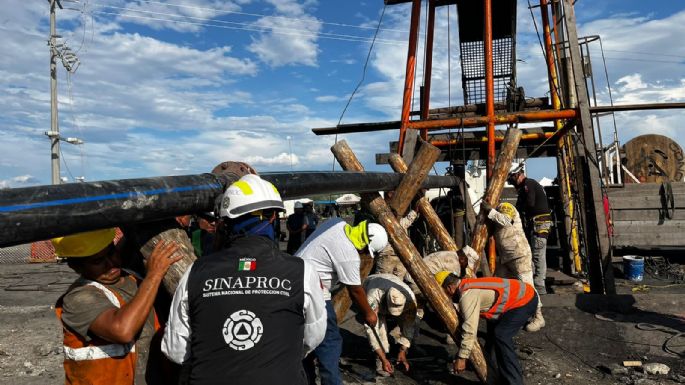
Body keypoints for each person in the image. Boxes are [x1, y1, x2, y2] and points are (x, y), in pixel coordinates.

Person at [161, 174, 327, 385]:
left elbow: (175, 350)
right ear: (273, 218)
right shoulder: (301, 271)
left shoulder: (196, 272)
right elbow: (313, 336)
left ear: (225, 221)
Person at [53, 228, 182, 385]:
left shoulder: (133, 278)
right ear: (76, 266)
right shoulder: (78, 298)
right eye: (98, 261)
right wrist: (154, 275)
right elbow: (122, 331)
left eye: (111, 252)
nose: (111, 263)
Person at [295, 218, 389, 385]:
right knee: (330, 342)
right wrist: (369, 314)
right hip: (313, 292)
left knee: (303, 342)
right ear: (366, 246)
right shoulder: (349, 256)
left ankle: (306, 379)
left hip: (292, 283)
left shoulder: (338, 224)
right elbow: (356, 291)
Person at [435, 271, 537, 385]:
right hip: (521, 295)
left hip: (525, 300)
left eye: (443, 293)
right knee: (493, 334)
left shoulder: (467, 296)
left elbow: (470, 329)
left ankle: (514, 382)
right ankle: (491, 366)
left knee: (502, 335)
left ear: (449, 288)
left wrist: (462, 357)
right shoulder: (467, 284)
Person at [481, 201, 545, 331]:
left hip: (519, 253)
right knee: (499, 283)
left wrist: (491, 211)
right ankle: (503, 313)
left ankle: (538, 317)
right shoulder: (494, 214)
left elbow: (506, 220)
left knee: (527, 285)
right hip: (506, 258)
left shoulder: (505, 206)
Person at [362, 274, 417, 377]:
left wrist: (403, 349)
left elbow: (409, 325)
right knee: (380, 327)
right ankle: (381, 358)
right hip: (372, 283)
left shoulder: (410, 299)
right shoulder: (373, 296)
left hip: (391, 280)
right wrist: (383, 357)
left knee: (415, 322)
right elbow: (371, 330)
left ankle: (402, 352)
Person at [508, 168, 552, 295]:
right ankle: (534, 283)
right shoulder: (528, 186)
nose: (513, 184)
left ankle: (540, 285)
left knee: (538, 254)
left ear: (518, 175)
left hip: (539, 223)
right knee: (533, 252)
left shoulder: (529, 184)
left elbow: (530, 203)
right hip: (536, 223)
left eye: (512, 179)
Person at [374, 191, 418, 279]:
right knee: (395, 281)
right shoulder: (397, 223)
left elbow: (408, 220)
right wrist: (415, 211)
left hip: (390, 255)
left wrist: (414, 211)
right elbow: (408, 221)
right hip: (397, 254)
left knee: (382, 280)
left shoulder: (382, 223)